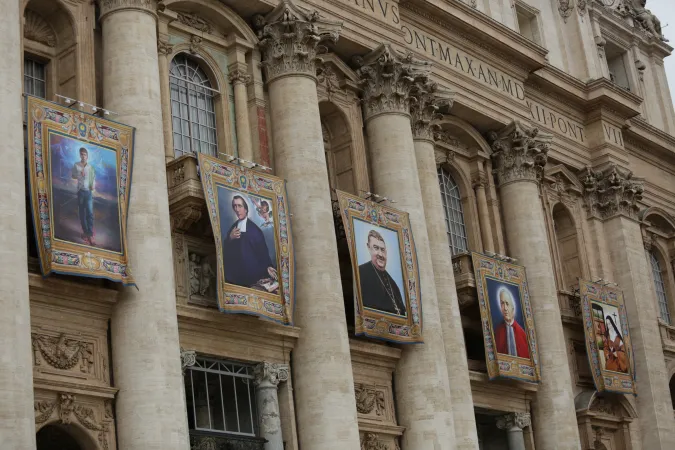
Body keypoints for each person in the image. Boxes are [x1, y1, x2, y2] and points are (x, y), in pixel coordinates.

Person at [222, 195, 277, 289]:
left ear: (246, 209)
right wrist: (230, 238)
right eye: (235, 206)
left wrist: (268, 266)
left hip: (251, 278)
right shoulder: (233, 227)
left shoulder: (255, 230)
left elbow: (262, 252)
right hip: (234, 277)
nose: (237, 209)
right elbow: (225, 251)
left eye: (239, 206)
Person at [358, 229, 406, 316]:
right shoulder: (360, 273)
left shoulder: (394, 285)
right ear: (369, 248)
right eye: (376, 248)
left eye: (383, 249)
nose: (380, 254)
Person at [493, 287, 530, 358]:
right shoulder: (497, 332)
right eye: (502, 304)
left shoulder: (522, 333)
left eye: (507, 304)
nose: (505, 308)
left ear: (513, 308)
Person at [71, 147, 96, 246]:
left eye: (85, 154)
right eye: (81, 154)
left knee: (89, 213)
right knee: (82, 213)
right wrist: (79, 174)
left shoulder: (90, 167)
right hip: (80, 192)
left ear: (87, 156)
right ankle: (85, 232)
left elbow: (93, 178)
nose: (83, 156)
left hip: (88, 192)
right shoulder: (76, 165)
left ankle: (90, 234)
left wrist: (93, 185)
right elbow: (73, 176)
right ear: (79, 155)